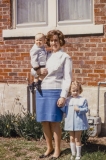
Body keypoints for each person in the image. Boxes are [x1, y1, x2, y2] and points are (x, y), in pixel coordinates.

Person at [33, 30, 72, 160]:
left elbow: (67, 78)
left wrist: (63, 96)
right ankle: (49, 147)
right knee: (44, 121)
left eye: (56, 40)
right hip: (42, 90)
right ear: (48, 42)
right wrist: (38, 71)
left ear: (60, 41)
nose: (53, 43)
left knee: (55, 122)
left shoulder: (65, 57)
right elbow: (33, 70)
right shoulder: (45, 54)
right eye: (51, 40)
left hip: (55, 91)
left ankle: (57, 150)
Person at [63, 81, 89, 160]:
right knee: (71, 138)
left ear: (79, 90)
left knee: (77, 138)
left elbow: (86, 109)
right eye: (73, 91)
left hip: (78, 122)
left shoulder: (82, 100)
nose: (75, 92)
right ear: (70, 91)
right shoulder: (68, 100)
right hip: (70, 122)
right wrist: (60, 106)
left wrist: (79, 109)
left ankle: (78, 154)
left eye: (77, 90)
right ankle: (73, 153)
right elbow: (65, 110)